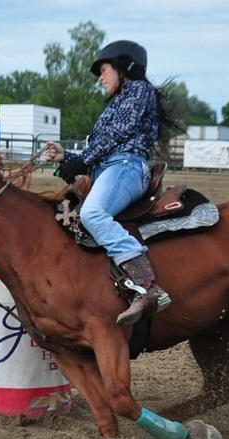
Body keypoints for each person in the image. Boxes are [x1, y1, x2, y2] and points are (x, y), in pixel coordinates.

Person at [43, 40, 180, 326]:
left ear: (124, 68)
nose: (100, 78)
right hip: (110, 168)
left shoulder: (139, 90)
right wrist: (68, 157)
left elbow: (117, 134)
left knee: (93, 214)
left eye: (104, 70)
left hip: (126, 167)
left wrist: (81, 160)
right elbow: (106, 144)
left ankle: (147, 287)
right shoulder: (122, 99)